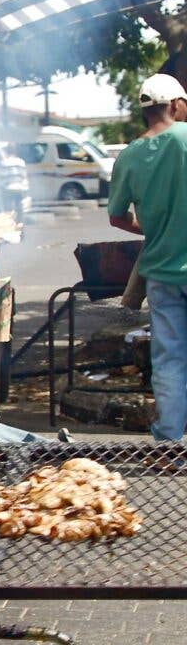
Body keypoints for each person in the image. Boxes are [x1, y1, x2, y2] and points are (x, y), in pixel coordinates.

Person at [108, 73, 187, 441]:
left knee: (169, 358)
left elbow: (118, 216)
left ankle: (169, 439)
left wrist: (154, 227)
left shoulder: (129, 155)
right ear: (175, 105)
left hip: (160, 272)